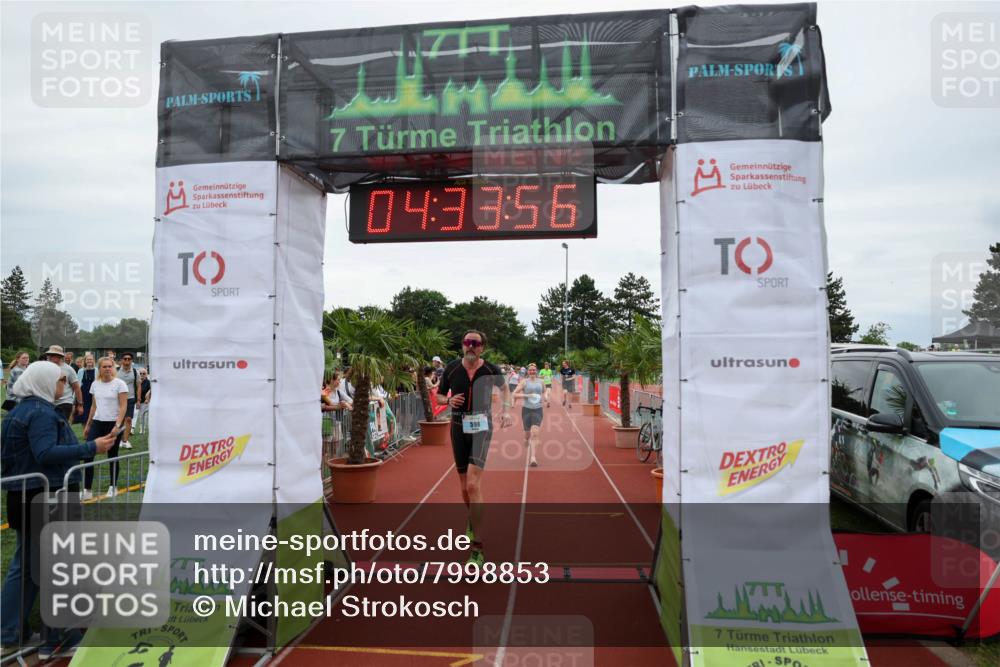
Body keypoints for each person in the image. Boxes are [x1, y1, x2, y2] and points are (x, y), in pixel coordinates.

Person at [0, 361, 115, 659]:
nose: (63, 385)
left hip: (24, 496)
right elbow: (45, 453)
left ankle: (10, 631)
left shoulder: (18, 412)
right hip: (46, 497)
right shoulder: (39, 413)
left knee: (25, 566)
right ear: (45, 381)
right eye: (60, 380)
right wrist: (92, 448)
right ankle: (59, 637)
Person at [436, 330, 512, 566]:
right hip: (458, 425)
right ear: (462, 345)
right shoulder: (451, 368)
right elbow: (438, 396)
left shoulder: (490, 369)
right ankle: (473, 518)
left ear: (482, 348)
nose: (471, 346)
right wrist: (448, 401)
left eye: (475, 343)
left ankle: (477, 548)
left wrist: (507, 411)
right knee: (463, 487)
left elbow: (505, 388)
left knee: (472, 483)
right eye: (467, 342)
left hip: (482, 425)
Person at [83, 357, 128, 499]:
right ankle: (87, 490)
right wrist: (88, 425)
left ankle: (112, 486)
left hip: (113, 424)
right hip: (97, 422)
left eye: (110, 366)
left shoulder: (120, 384)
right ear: (99, 369)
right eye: (104, 367)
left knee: (112, 456)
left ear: (113, 368)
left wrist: (117, 425)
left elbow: (123, 407)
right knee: (88, 454)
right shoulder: (95, 384)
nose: (107, 369)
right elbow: (93, 406)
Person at [512, 363, 544, 467]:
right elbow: (514, 394)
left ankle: (533, 458)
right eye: (530, 370)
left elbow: (544, 392)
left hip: (538, 410)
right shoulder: (524, 382)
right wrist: (527, 395)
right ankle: (526, 439)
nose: (532, 372)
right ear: (527, 372)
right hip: (526, 410)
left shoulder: (541, 382)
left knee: (535, 433)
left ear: (536, 371)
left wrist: (547, 396)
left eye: (534, 370)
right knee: (527, 434)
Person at [44, 346, 82, 423]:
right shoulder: (45, 368)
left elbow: (77, 387)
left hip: (64, 402)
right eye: (49, 355)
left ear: (59, 356)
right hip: (49, 402)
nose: (49, 357)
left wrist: (80, 404)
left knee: (60, 425)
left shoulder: (68, 369)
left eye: (52, 355)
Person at [116, 353, 140, 450]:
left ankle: (125, 441)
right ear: (121, 360)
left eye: (129, 359)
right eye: (125, 359)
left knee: (128, 419)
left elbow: (139, 386)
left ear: (131, 361)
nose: (127, 361)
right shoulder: (116, 371)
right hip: (118, 399)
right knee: (119, 420)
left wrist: (138, 400)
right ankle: (118, 440)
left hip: (130, 398)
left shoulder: (135, 372)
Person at [74, 354, 97, 426]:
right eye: (88, 359)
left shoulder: (97, 370)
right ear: (85, 361)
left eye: (91, 359)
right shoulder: (81, 371)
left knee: (94, 413)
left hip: (94, 395)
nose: (89, 361)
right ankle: (85, 434)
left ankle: (92, 432)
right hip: (84, 395)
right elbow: (78, 383)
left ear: (93, 361)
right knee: (84, 415)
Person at [135, 368, 151, 435]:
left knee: (143, 416)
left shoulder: (148, 382)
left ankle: (143, 429)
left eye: (143, 373)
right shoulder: (136, 381)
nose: (142, 375)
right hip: (136, 401)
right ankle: (135, 429)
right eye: (140, 373)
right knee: (138, 416)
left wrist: (148, 399)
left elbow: (151, 391)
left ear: (146, 374)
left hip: (145, 402)